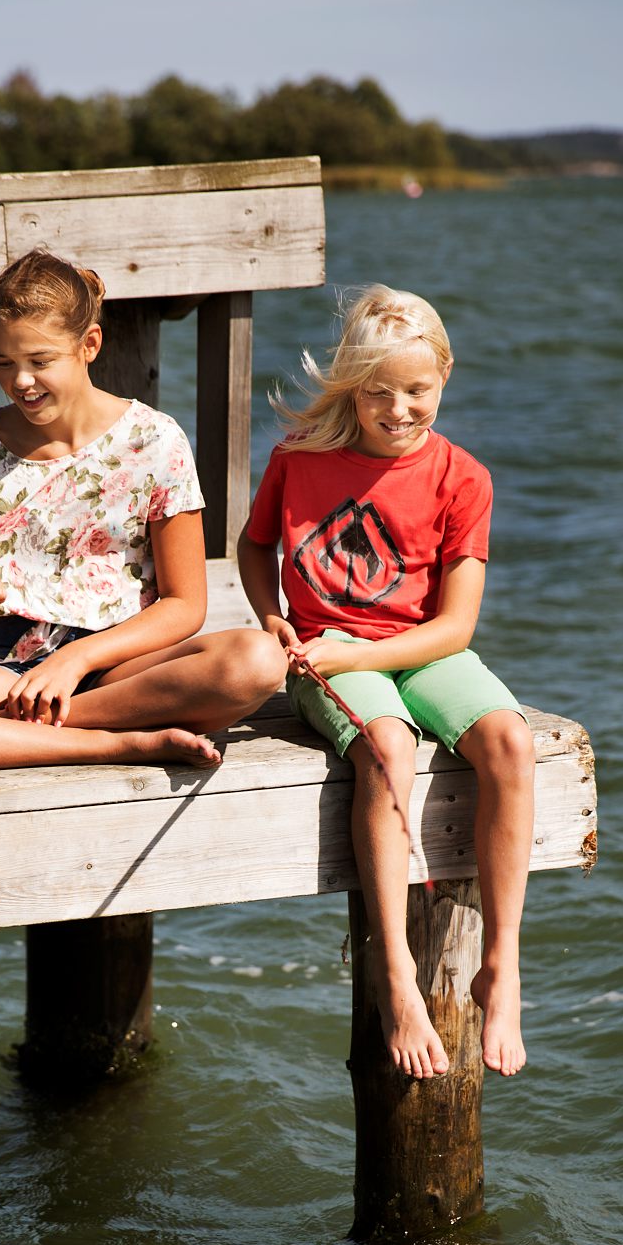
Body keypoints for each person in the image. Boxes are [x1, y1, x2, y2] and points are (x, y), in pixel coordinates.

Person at [0, 249, 284, 776]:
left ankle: (26, 731)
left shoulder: (154, 440)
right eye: (4, 362)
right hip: (9, 672)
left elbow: (184, 605)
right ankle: (115, 744)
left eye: (40, 362)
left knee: (258, 660)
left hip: (124, 671)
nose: (21, 381)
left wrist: (75, 661)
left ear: (89, 345)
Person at [237, 285, 534, 1080]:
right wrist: (274, 621)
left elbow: (455, 630)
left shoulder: (462, 478)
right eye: (377, 392)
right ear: (350, 386)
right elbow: (254, 546)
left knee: (509, 740)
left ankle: (502, 965)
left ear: (443, 377)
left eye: (416, 390)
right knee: (387, 744)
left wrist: (363, 658)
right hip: (327, 650)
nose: (397, 409)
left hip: (419, 649)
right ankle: (398, 977)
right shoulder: (297, 457)